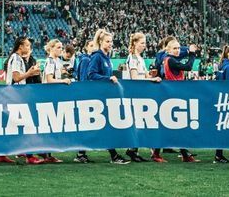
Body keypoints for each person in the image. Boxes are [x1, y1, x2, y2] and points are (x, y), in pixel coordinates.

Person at [77, 29, 128, 165]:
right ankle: (113, 156)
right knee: (101, 125)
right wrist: (107, 78)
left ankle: (83, 153)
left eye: (111, 41)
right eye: (107, 41)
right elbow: (91, 74)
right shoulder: (97, 56)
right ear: (100, 42)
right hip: (97, 96)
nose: (110, 44)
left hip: (104, 95)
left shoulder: (106, 57)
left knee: (102, 125)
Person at [155, 36, 198, 163]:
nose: (178, 50)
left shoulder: (169, 59)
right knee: (174, 125)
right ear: (168, 50)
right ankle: (159, 153)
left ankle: (183, 154)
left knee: (175, 126)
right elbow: (188, 67)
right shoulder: (171, 60)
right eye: (175, 48)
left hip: (174, 94)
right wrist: (192, 54)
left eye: (179, 48)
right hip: (172, 95)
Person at [122, 32, 160, 163]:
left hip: (140, 93)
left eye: (145, 43)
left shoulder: (140, 58)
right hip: (134, 93)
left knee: (140, 122)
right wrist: (151, 79)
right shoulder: (132, 58)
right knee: (137, 122)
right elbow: (134, 78)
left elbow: (141, 76)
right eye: (142, 43)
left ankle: (133, 149)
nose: (145, 46)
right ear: (135, 44)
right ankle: (132, 149)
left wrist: (149, 76)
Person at [3, 37, 42, 165]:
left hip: (14, 95)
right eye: (27, 45)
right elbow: (16, 77)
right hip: (16, 95)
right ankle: (29, 156)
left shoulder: (17, 58)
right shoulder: (16, 58)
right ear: (20, 46)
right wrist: (29, 73)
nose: (29, 48)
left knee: (13, 126)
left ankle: (2, 154)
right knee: (27, 124)